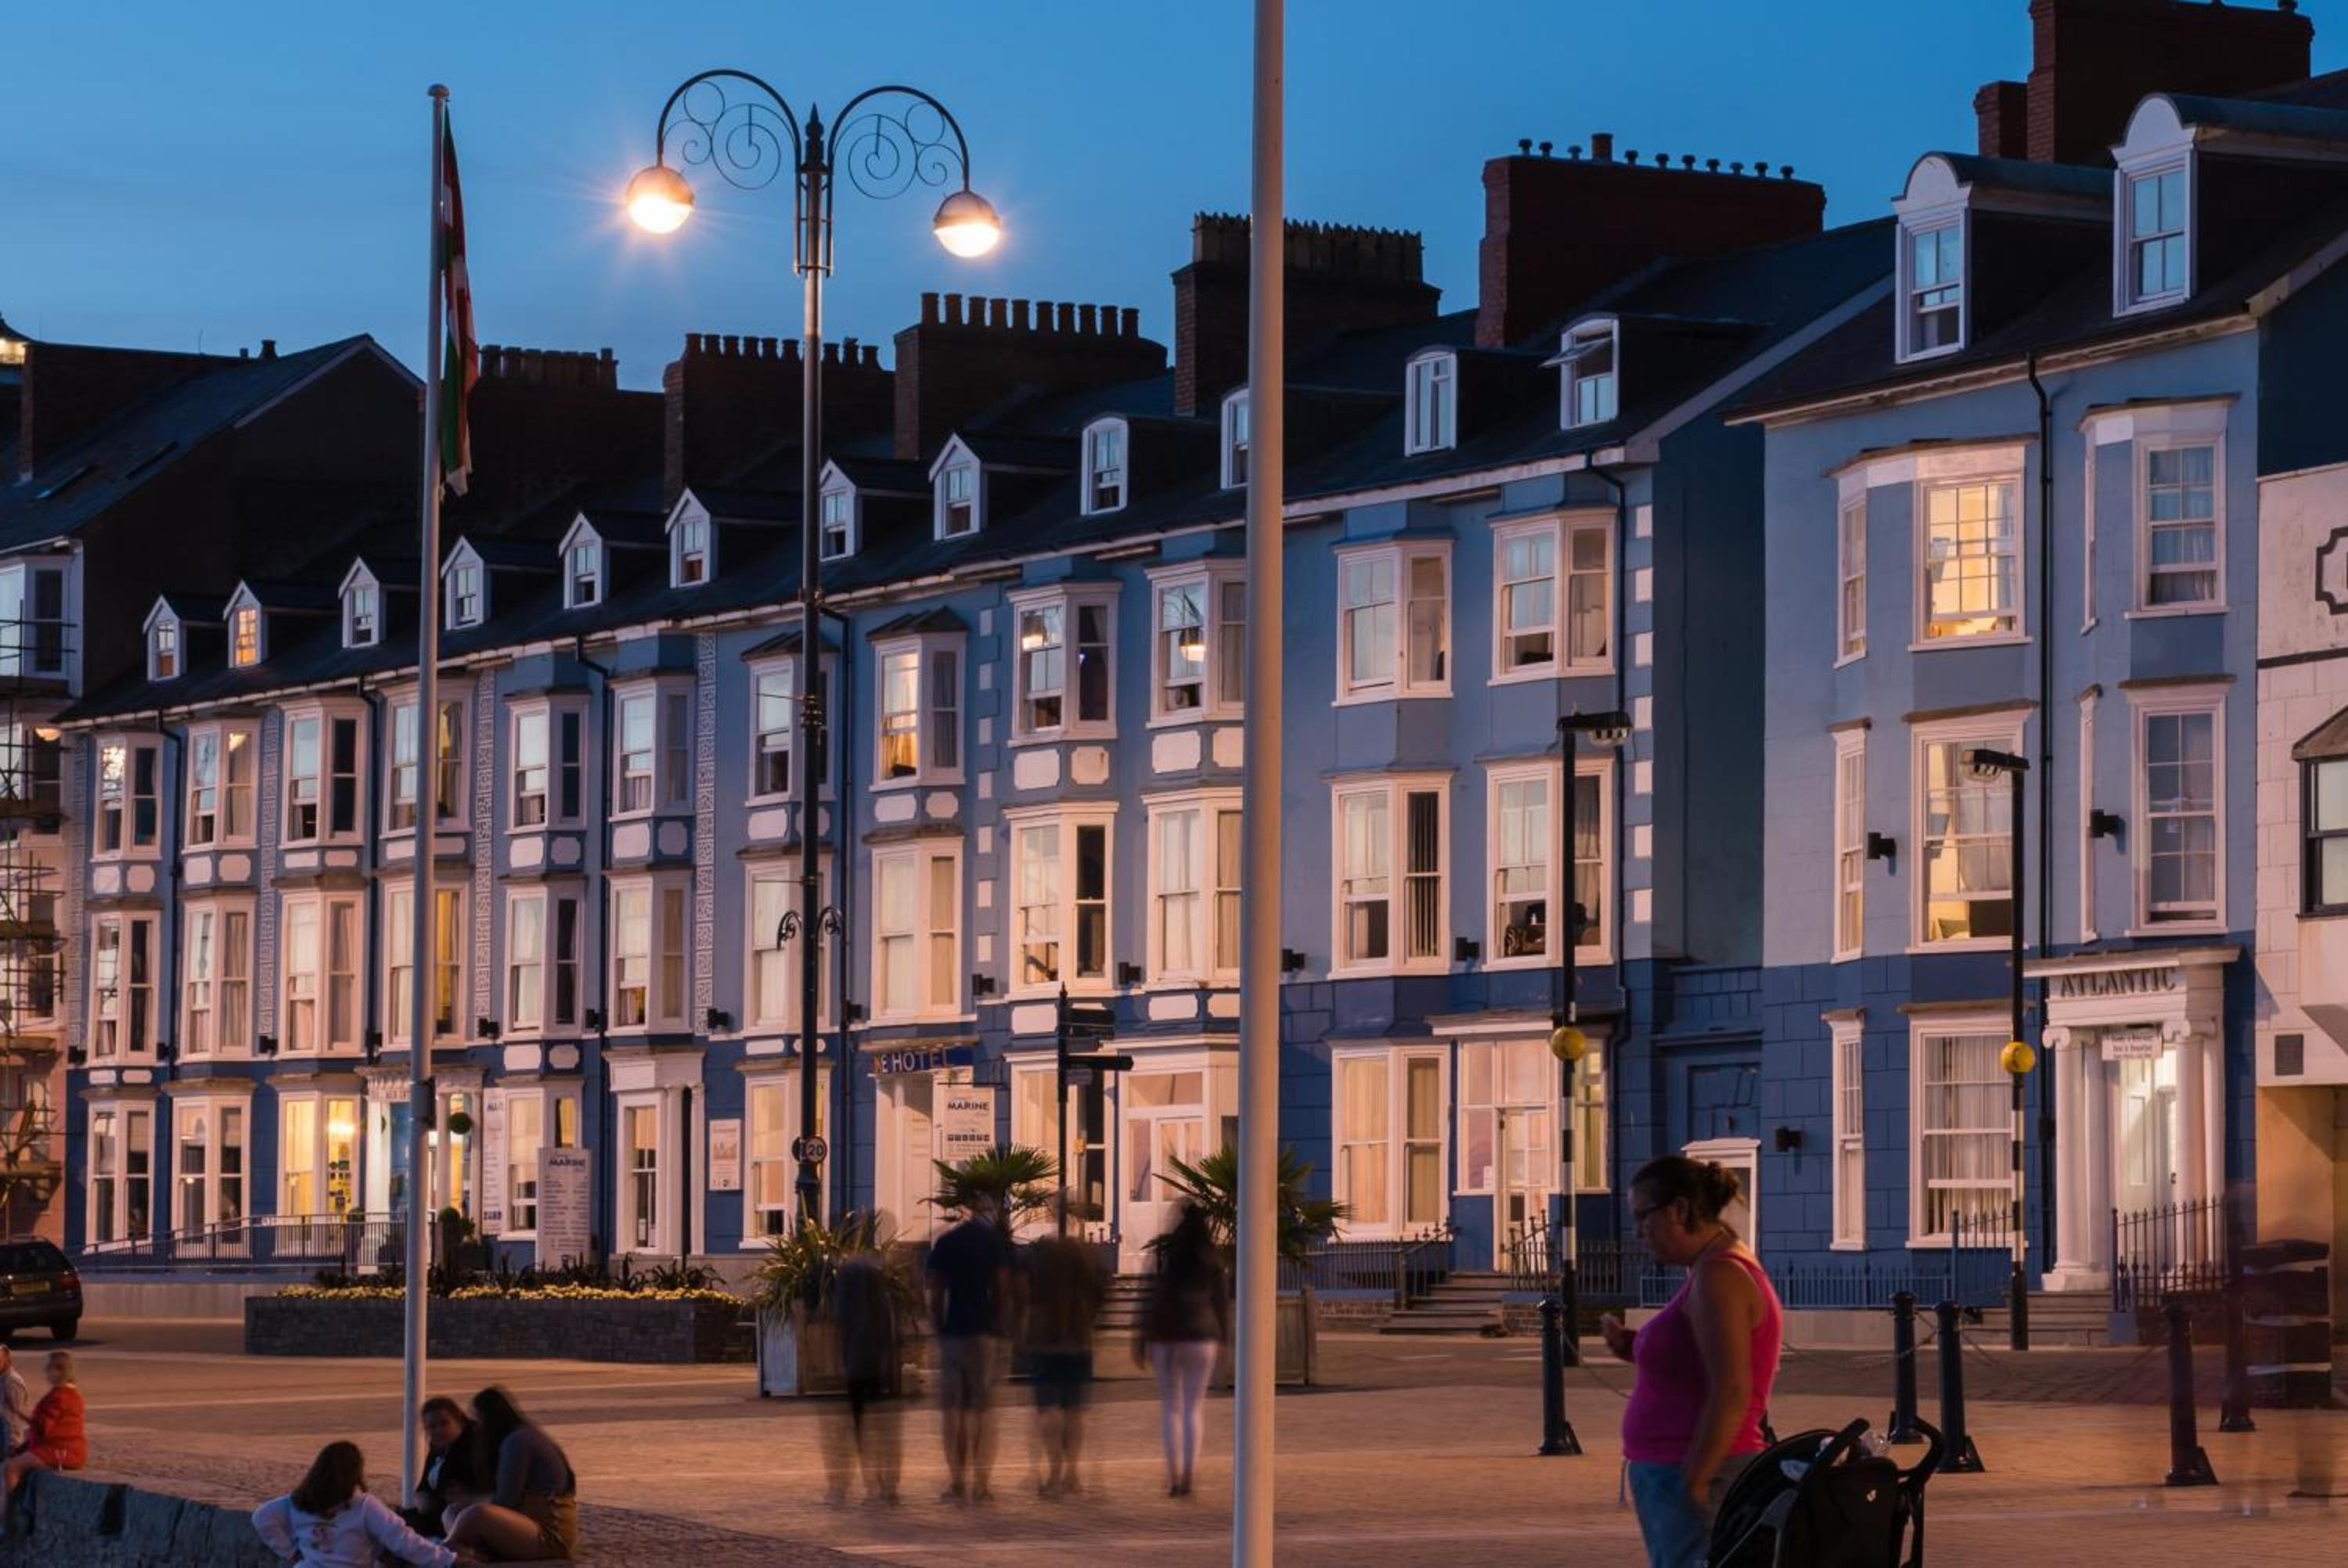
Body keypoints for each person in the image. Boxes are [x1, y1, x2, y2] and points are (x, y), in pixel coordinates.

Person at [1601, 1156, 1783, 1568]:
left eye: (1643, 1217)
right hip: (1678, 1467)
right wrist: (1635, 1346)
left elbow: (1732, 1389)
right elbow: (1698, 1359)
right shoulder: (1709, 1269)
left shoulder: (1720, 1276)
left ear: (1679, 1210)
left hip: (1699, 1468)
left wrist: (1696, 1475)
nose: (1638, 1232)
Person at [1135, 1203, 1228, 1498]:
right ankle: (1188, 1474)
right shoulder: (1212, 1259)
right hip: (1202, 1336)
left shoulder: (1166, 1254)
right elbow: (1221, 1303)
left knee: (1171, 1409)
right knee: (1193, 1408)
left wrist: (1141, 1337)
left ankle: (1173, 1476)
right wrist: (1223, 1338)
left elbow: (1149, 1295)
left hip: (1166, 1336)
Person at [925, 1200, 1016, 1502]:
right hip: (983, 1333)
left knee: (954, 1411)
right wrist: (997, 1323)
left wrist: (939, 1327)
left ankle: (957, 1481)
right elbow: (1002, 1288)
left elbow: (935, 1291)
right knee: (982, 1409)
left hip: (954, 1333)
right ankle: (982, 1483)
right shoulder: (994, 1244)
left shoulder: (947, 1242)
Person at [252, 1440, 469, 1567]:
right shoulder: (363, 1505)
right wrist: (448, 1560)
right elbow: (403, 1540)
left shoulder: (297, 1502)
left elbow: (261, 1517)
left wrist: (291, 1552)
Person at [1021, 1203, 1108, 1498]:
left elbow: (1025, 1290)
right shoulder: (1087, 1253)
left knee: (1047, 1408)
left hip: (1044, 1337)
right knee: (1073, 1411)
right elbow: (1101, 1293)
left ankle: (1054, 1472)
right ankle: (1072, 1473)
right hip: (1078, 1336)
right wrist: (1089, 1318)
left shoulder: (1041, 1253)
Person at [442, 1387, 578, 1561]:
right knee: (452, 1511)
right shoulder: (512, 1439)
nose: (477, 1427)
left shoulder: (519, 1440)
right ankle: (469, 1552)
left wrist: (472, 1499)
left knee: (476, 1514)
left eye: (479, 1419)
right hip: (523, 1523)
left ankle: (444, 1551)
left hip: (549, 1535)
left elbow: (506, 1501)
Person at [826, 1239, 903, 1505]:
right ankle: (887, 1486)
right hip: (877, 1358)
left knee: (859, 1424)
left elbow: (840, 1323)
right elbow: (887, 1320)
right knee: (882, 1424)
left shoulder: (847, 1277)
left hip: (856, 1360)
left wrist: (838, 1360)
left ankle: (865, 1485)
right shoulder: (876, 1278)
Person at [2, 1350, 86, 1513]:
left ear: (61, 1371)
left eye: (50, 1367)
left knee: (11, 1468)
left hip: (62, 1451)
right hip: (54, 1447)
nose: (46, 1371)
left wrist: (18, 1412)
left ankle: (10, 1515)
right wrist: (20, 1449)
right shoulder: (60, 1393)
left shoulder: (63, 1397)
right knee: (10, 1461)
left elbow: (43, 1427)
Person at [405, 1396, 490, 1536]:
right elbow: (424, 1487)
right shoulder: (438, 1446)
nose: (438, 1431)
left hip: (460, 1517)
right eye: (432, 1427)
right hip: (436, 1513)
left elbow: (481, 1489)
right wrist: (423, 1499)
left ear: (459, 1421)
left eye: (444, 1424)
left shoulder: (474, 1445)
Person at [0, 1347, 31, 1456]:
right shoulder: (3, 1378)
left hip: (8, 1442)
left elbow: (14, 1419)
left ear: (8, 1361)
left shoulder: (12, 1382)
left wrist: (12, 1446)